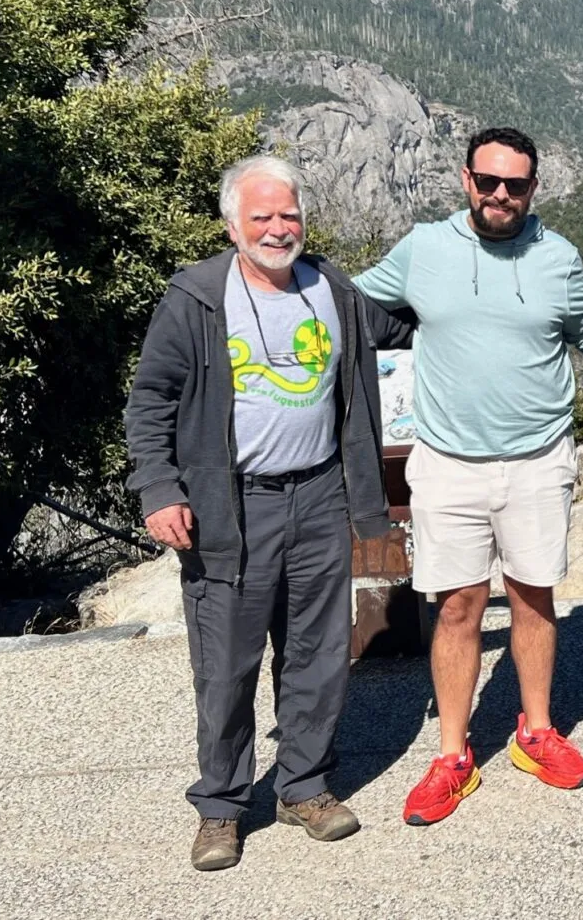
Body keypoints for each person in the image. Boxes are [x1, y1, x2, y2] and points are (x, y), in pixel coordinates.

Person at [125, 155, 406, 871]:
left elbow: (404, 319)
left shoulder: (332, 287)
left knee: (316, 652)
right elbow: (151, 397)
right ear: (231, 225)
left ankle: (303, 786)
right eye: (263, 217)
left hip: (319, 494)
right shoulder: (197, 297)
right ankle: (221, 807)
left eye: (289, 215)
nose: (279, 229)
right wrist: (159, 488)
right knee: (225, 662)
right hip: (231, 503)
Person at [353, 126, 583, 826]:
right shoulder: (423, 249)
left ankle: (537, 731)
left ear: (532, 188)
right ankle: (454, 755)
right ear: (466, 179)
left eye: (515, 184)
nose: (500, 194)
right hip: (448, 462)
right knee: (458, 605)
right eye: (488, 181)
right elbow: (347, 303)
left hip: (537, 459)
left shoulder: (559, 257)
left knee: (533, 595)